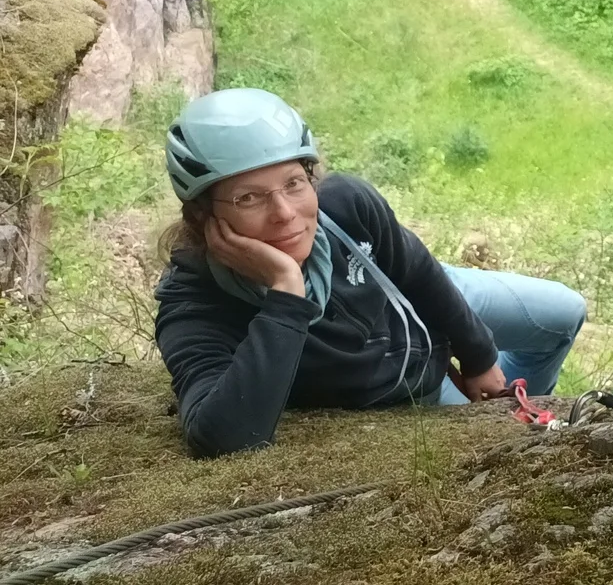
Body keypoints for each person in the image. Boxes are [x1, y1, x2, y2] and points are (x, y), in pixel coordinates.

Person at [153, 89, 587, 457]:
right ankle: (515, 418)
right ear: (201, 214)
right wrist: (286, 294)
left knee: (565, 312)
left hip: (404, 294)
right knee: (502, 439)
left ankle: (520, 397)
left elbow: (416, 268)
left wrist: (480, 357)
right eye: (248, 197)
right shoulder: (196, 305)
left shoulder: (344, 207)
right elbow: (222, 436)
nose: (284, 213)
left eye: (293, 183)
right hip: (410, 384)